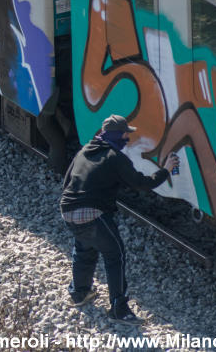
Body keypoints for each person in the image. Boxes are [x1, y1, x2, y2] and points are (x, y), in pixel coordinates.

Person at [59, 114, 179, 324]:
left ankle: (79, 293)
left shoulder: (85, 151)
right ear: (118, 135)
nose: (127, 138)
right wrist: (166, 170)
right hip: (92, 212)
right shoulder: (115, 157)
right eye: (125, 134)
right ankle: (119, 309)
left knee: (84, 248)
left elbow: (67, 180)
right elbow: (141, 183)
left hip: (68, 209)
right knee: (115, 255)